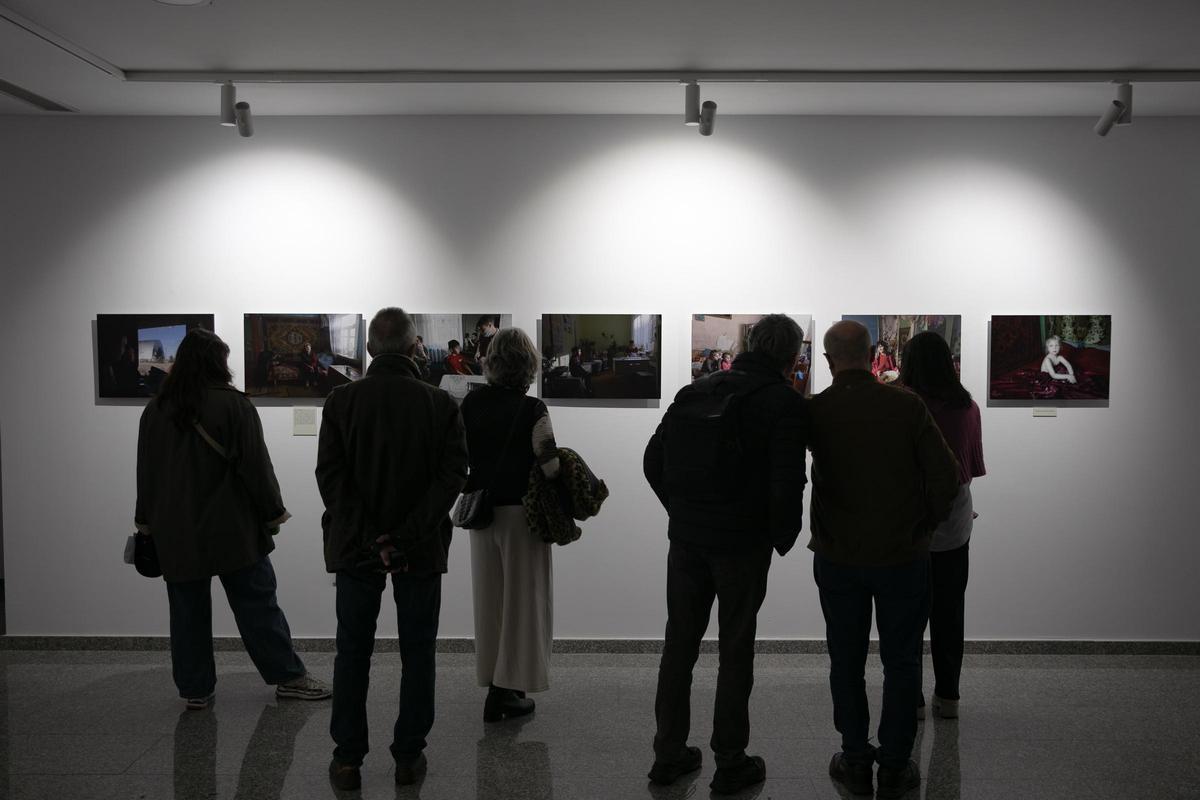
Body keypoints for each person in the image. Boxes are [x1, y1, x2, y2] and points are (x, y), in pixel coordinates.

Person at [643, 314, 809, 795]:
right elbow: (787, 481)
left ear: (751, 344)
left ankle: (667, 754)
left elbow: (654, 461)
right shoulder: (783, 403)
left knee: (679, 646)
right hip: (742, 543)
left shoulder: (698, 390)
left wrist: (683, 511)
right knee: (735, 649)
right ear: (791, 355)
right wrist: (781, 536)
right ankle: (730, 760)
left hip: (688, 540)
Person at [134, 328, 330, 712]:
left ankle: (195, 689)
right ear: (217, 362)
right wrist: (274, 512)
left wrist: (144, 525)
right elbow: (256, 468)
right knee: (258, 606)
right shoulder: (234, 405)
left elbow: (146, 473)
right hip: (232, 529)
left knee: (187, 612)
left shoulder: (156, 409)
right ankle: (288, 677)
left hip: (176, 531)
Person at [316, 307, 468, 790]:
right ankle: (407, 756)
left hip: (356, 548)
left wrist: (370, 536)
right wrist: (403, 537)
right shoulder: (439, 405)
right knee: (418, 652)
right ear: (412, 347)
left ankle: (347, 760)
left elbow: (331, 477)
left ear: (368, 350)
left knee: (351, 652)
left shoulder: (341, 401)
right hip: (419, 549)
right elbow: (452, 478)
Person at [807, 320, 959, 799]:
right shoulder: (906, 406)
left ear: (830, 360)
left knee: (845, 660)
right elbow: (947, 478)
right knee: (901, 660)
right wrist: (924, 528)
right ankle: (894, 765)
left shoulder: (819, 411)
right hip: (901, 556)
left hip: (838, 555)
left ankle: (855, 760)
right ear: (872, 354)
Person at [460, 327, 560, 722]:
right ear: (528, 365)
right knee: (524, 601)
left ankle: (493, 680)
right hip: (522, 514)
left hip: (481, 511)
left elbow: (460, 454)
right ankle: (507, 691)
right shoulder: (532, 409)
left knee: (490, 602)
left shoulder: (469, 404)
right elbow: (549, 464)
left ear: (492, 362)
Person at [900, 332, 986, 720]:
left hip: (908, 522)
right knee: (950, 613)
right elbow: (970, 468)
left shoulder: (903, 403)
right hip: (954, 520)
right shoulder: (966, 406)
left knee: (906, 616)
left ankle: (912, 700)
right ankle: (948, 696)